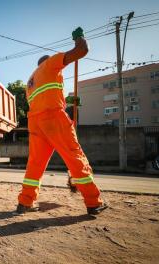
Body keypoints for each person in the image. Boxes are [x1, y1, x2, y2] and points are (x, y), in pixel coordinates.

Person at [17, 27, 108, 215]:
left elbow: (47, 96)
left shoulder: (31, 80)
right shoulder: (51, 64)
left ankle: (25, 202)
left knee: (35, 164)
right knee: (75, 157)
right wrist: (79, 38)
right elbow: (82, 51)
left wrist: (68, 101)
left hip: (36, 122)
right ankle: (93, 202)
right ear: (49, 61)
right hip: (53, 118)